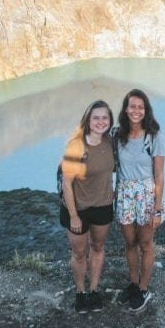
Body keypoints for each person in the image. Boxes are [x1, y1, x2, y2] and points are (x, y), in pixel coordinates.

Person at [60, 100, 115, 314]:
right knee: (80, 252)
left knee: (98, 248)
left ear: (109, 121)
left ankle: (93, 290)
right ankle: (80, 292)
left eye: (105, 118)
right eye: (96, 118)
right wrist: (74, 216)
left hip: (103, 206)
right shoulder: (76, 145)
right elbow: (67, 182)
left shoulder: (111, 142)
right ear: (88, 120)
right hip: (78, 209)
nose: (100, 122)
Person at [114, 88, 165, 312]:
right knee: (130, 242)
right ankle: (133, 284)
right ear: (126, 109)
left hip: (146, 194)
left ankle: (144, 288)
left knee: (145, 243)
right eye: (132, 106)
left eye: (140, 107)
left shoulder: (153, 137)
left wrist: (157, 208)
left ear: (146, 111)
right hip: (124, 193)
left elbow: (160, 175)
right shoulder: (117, 135)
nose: (136, 110)